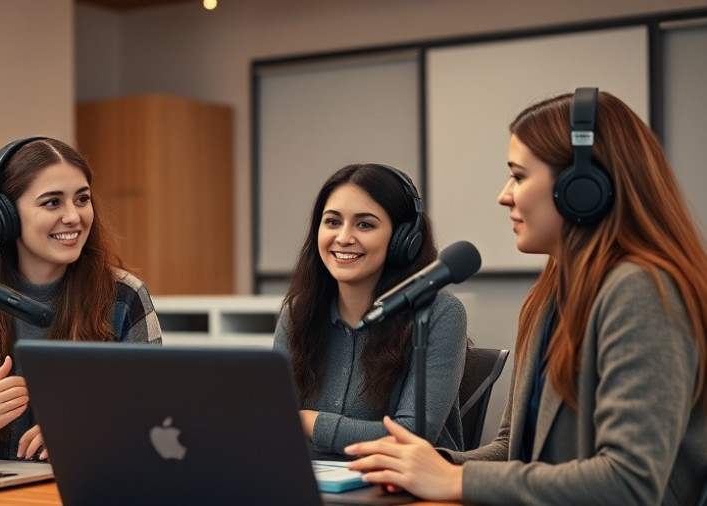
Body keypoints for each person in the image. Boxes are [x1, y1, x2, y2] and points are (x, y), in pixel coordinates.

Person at [345, 89, 707, 505]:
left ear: (582, 188)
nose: (504, 195)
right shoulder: (550, 297)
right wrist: (431, 466)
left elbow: (629, 482)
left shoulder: (640, 289)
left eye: (518, 176)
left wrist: (455, 482)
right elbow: (514, 450)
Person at [0, 137, 162, 462]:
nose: (74, 216)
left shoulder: (123, 297)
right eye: (52, 202)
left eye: (82, 199)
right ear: (3, 216)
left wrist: (87, 429)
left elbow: (157, 417)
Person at [273, 163, 468, 460]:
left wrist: (309, 422)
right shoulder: (298, 313)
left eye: (365, 224)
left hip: (405, 491)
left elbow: (411, 438)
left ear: (404, 240)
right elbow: (272, 421)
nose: (343, 238)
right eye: (332, 222)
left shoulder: (439, 312)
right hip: (311, 486)